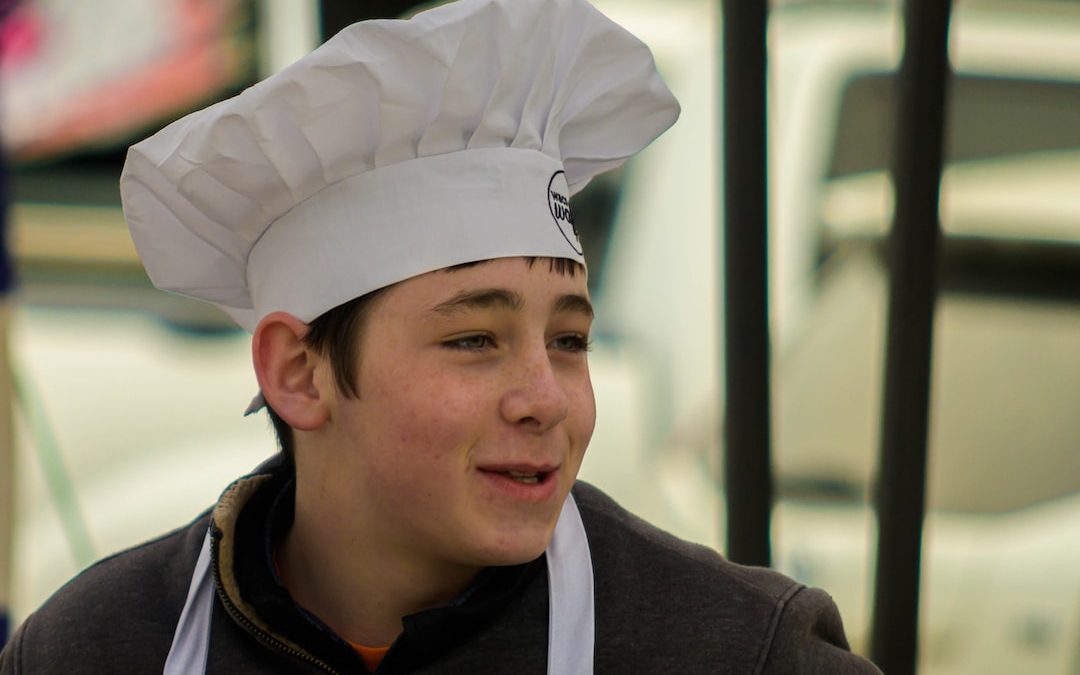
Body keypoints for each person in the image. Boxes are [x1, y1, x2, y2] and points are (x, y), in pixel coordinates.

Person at [1, 0, 883, 672]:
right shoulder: (100, 644)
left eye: (569, 340)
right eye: (475, 340)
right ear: (298, 371)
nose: (544, 398)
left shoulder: (736, 649)